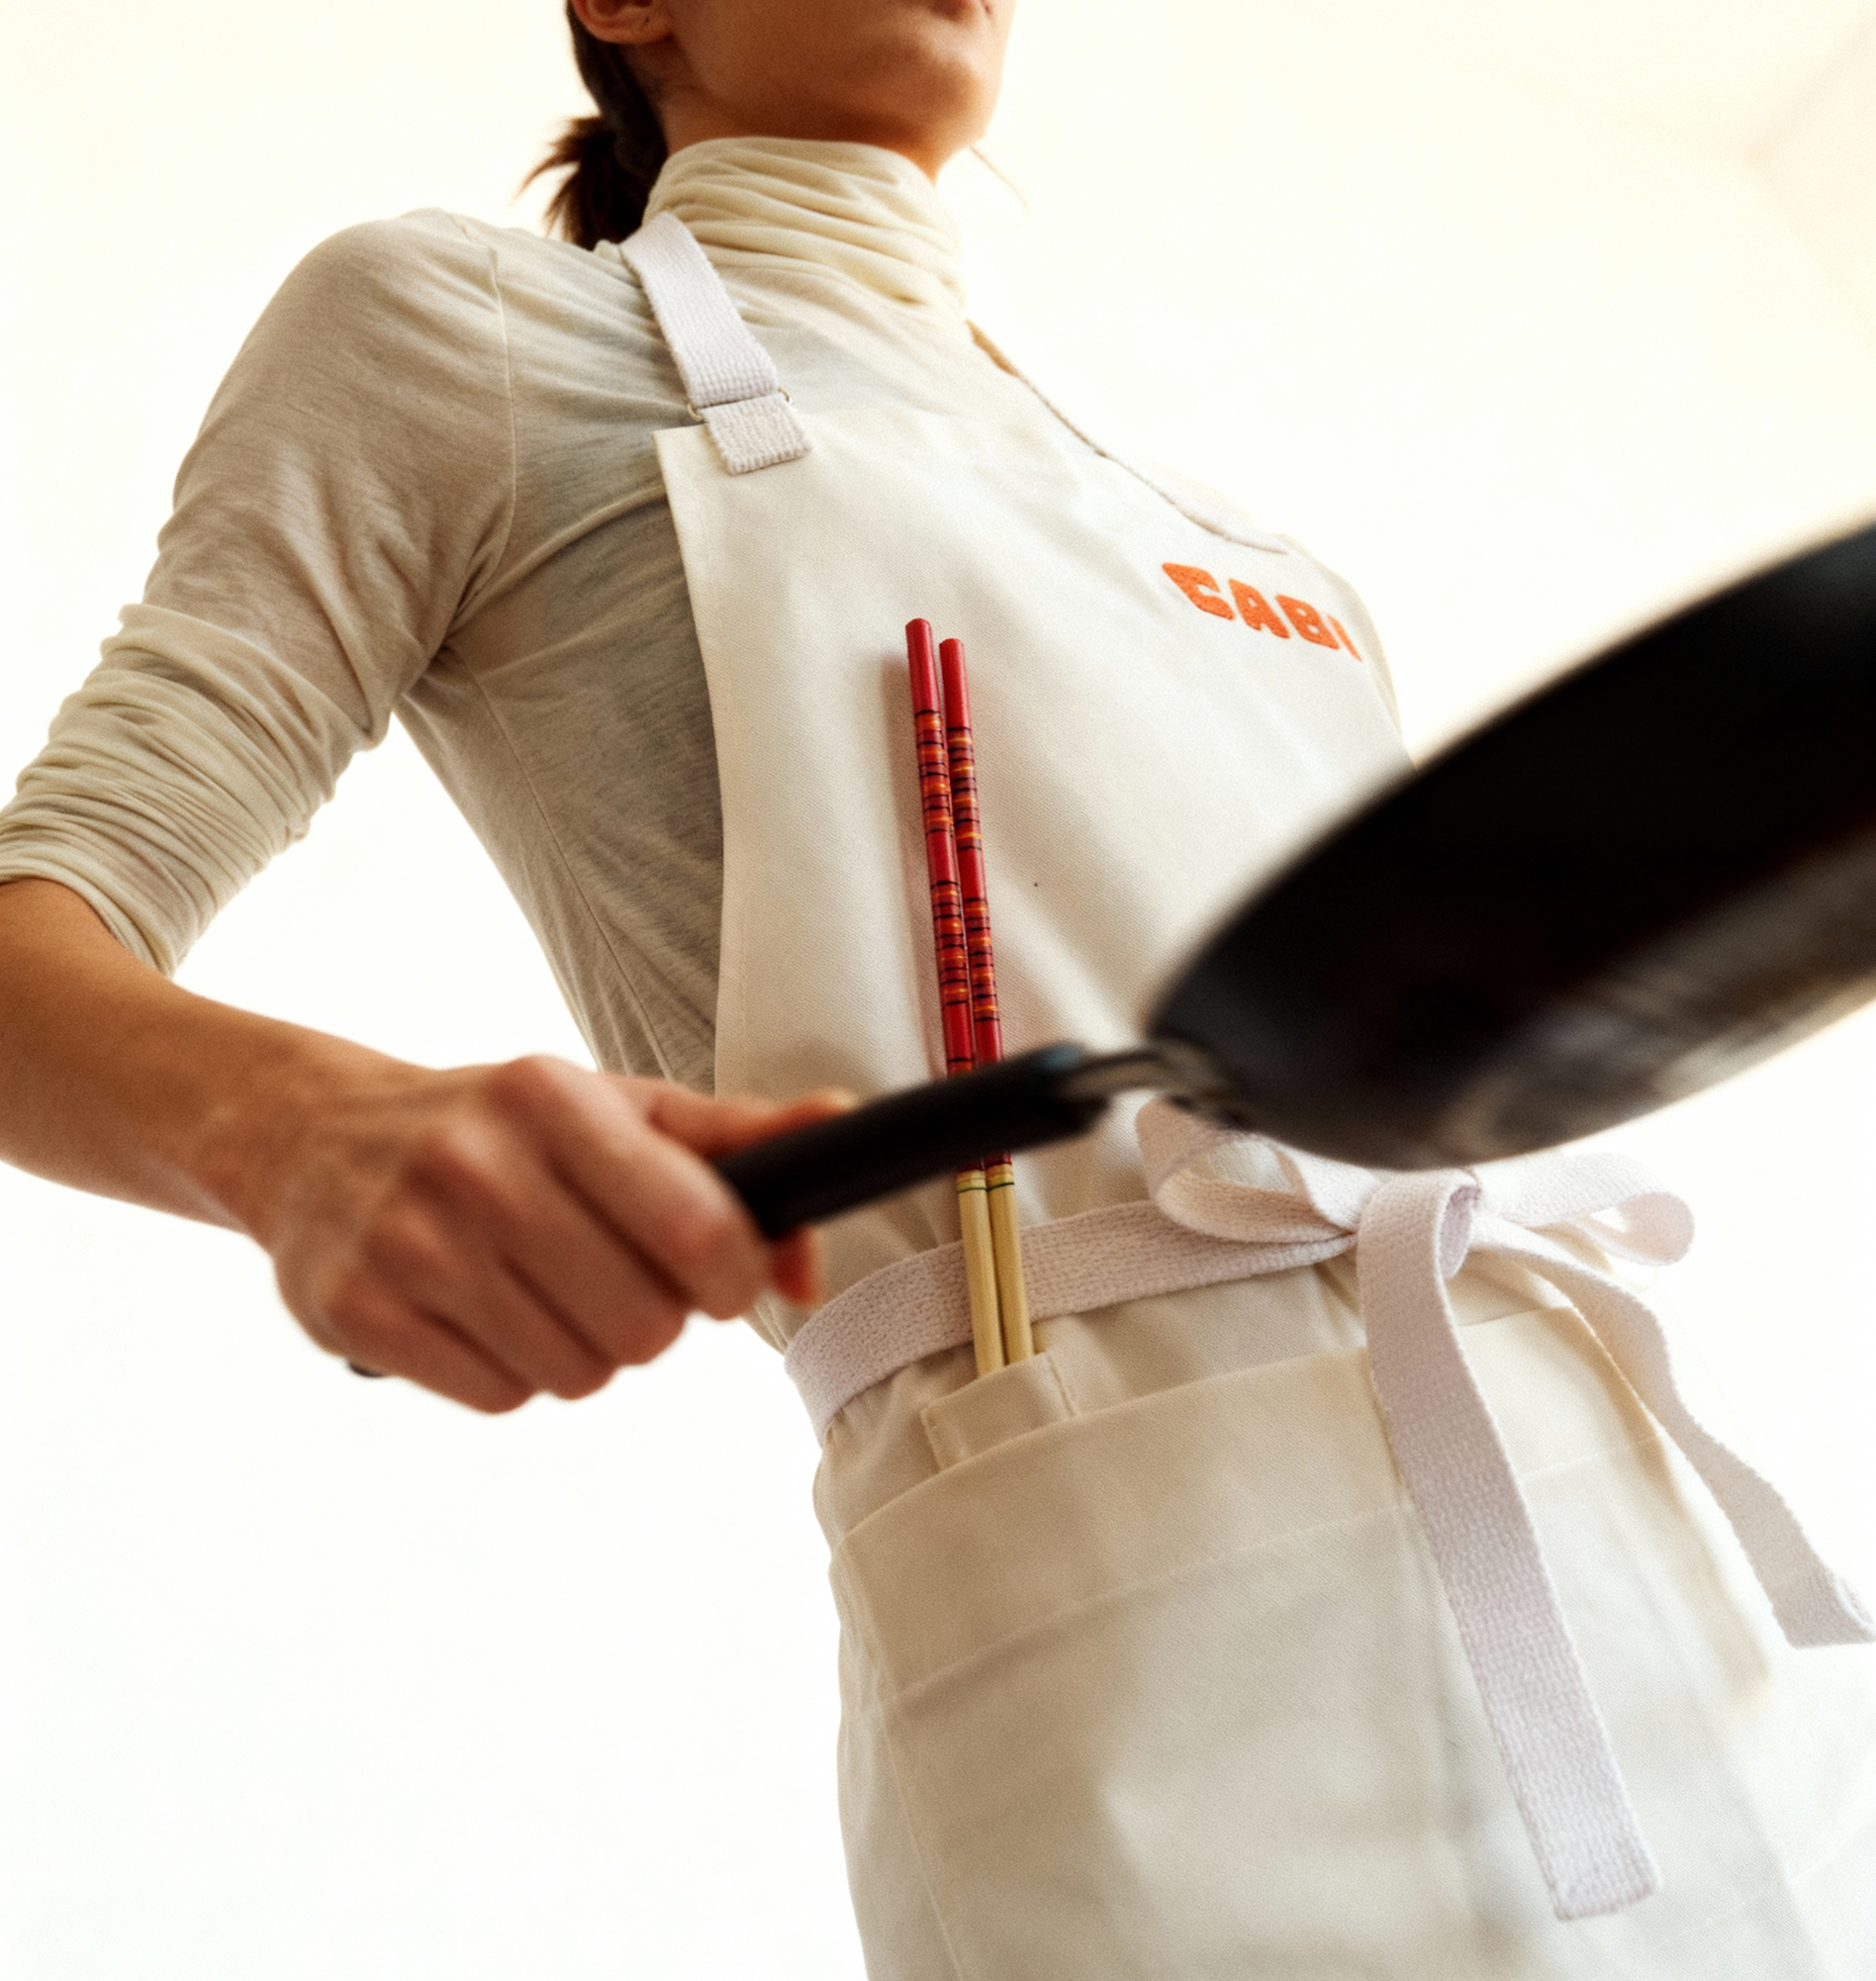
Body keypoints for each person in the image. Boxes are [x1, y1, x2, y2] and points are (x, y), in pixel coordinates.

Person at [2, 3, 1873, 1974]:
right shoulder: (459, 334)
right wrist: (304, 1128)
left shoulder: (1258, 550)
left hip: (1641, 1529)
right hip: (1131, 1605)